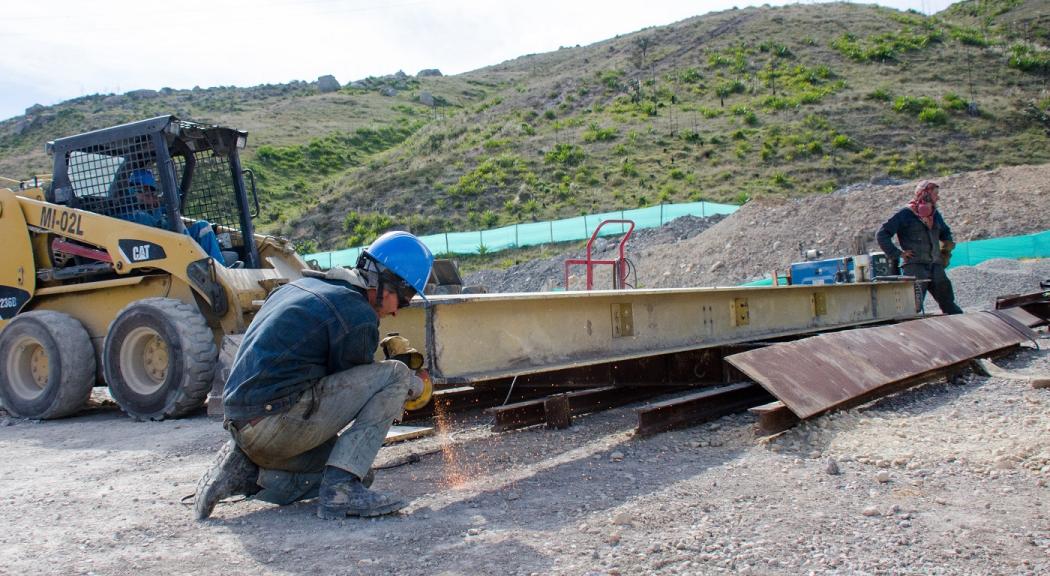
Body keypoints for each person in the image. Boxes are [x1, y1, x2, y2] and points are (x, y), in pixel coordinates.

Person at [194, 231, 434, 520]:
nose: (398, 311)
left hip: (242, 424)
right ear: (382, 280)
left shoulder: (300, 286)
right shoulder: (357, 313)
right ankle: (340, 493)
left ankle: (246, 473)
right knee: (395, 376)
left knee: (358, 472)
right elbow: (359, 385)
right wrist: (410, 381)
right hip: (276, 425)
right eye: (405, 298)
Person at [876, 180, 963, 315]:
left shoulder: (934, 215)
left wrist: (945, 251)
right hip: (915, 269)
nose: (938, 197)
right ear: (925, 195)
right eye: (935, 194)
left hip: (935, 267)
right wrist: (897, 253)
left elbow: (945, 232)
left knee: (949, 306)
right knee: (911, 309)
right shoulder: (905, 214)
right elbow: (882, 235)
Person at [122, 169, 233, 266]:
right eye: (145, 191)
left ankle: (219, 268)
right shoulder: (131, 212)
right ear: (135, 189)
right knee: (177, 224)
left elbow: (169, 208)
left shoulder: (153, 207)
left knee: (202, 226)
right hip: (159, 247)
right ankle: (194, 264)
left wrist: (157, 203)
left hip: (171, 239)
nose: (150, 194)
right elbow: (155, 226)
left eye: (151, 191)